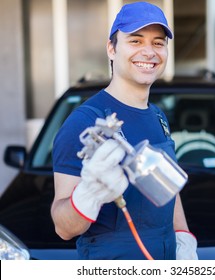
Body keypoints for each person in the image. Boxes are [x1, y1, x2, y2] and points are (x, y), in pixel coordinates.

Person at [51, 1, 198, 260]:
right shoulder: (85, 123)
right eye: (136, 41)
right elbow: (63, 228)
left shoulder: (158, 117)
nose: (149, 52)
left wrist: (184, 238)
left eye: (158, 42)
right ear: (111, 48)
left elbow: (168, 188)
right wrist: (90, 193)